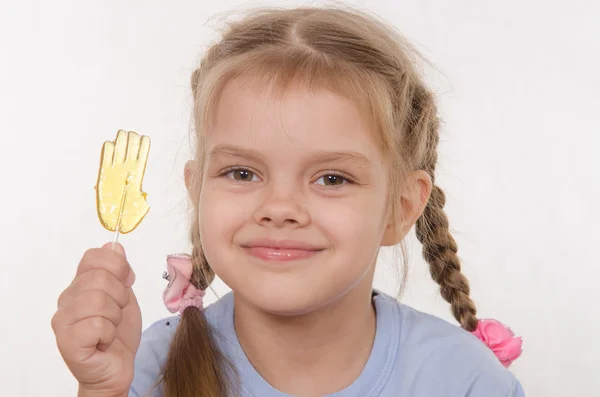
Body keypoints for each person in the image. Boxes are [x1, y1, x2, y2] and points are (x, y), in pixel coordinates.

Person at [52, 5, 525, 397]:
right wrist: (100, 390)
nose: (279, 207)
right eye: (242, 172)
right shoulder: (146, 367)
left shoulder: (464, 381)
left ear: (400, 209)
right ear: (197, 191)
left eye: (332, 178)